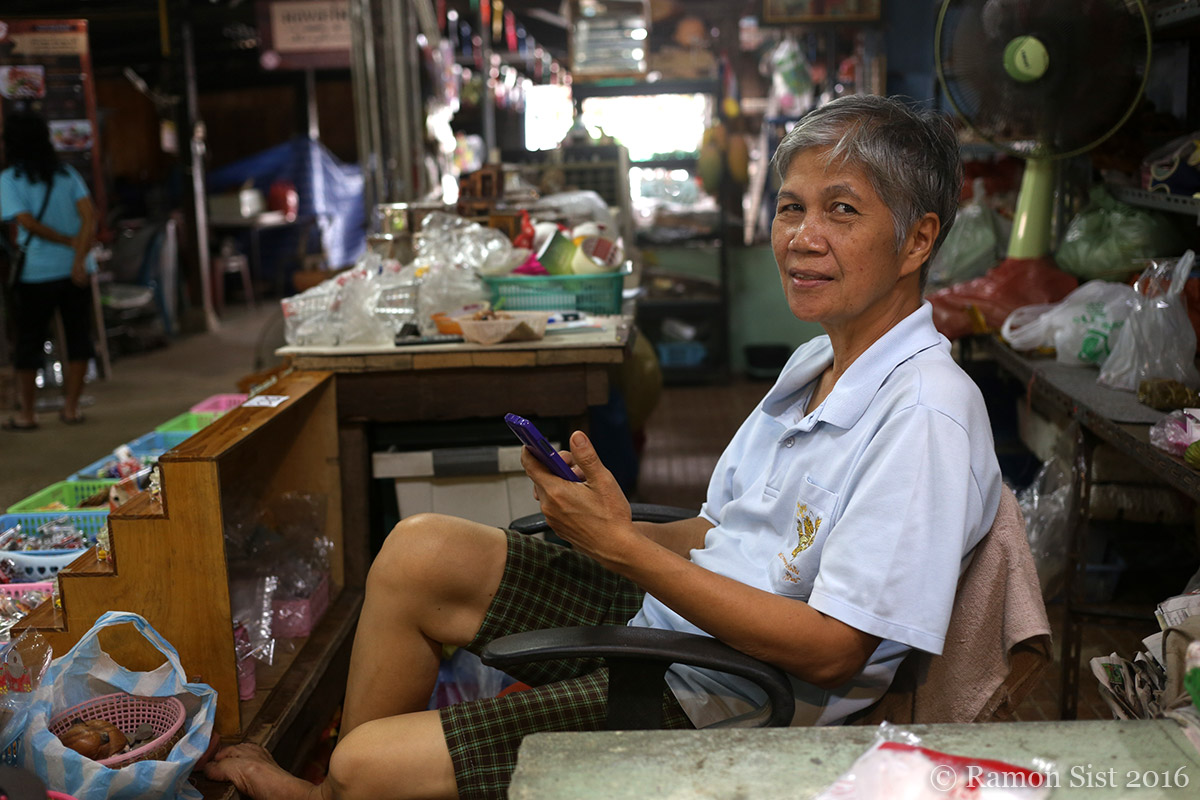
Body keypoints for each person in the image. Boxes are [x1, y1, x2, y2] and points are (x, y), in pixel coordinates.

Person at [205, 94, 1002, 800]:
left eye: (841, 211)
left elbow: (832, 652)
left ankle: (345, 790)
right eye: (791, 208)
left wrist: (625, 552)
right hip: (684, 616)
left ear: (916, 241)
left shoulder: (925, 417)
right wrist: (618, 526)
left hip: (728, 694)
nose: (801, 238)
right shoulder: (820, 361)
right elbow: (723, 534)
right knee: (417, 553)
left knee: (366, 763)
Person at [1, 111, 97, 430]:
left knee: (29, 342)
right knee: (79, 337)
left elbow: (26, 222)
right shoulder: (67, 174)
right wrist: (78, 258)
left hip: (36, 273)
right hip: (77, 272)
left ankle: (27, 415)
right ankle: (71, 409)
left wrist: (64, 241)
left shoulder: (9, 180)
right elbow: (90, 217)